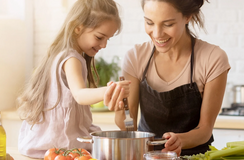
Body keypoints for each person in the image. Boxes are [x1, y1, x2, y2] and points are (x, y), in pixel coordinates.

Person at [113, 0, 230, 156]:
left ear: (188, 17)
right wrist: (120, 109)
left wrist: (180, 140)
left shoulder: (212, 59)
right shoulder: (135, 57)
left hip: (196, 157)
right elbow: (129, 127)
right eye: (149, 22)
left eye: (168, 24)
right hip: (147, 156)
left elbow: (205, 129)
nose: (157, 34)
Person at [16, 0, 130, 158]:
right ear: (78, 27)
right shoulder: (72, 58)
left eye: (107, 39)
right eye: (99, 37)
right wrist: (108, 90)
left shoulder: (60, 54)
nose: (104, 45)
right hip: (61, 146)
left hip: (43, 145)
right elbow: (79, 95)